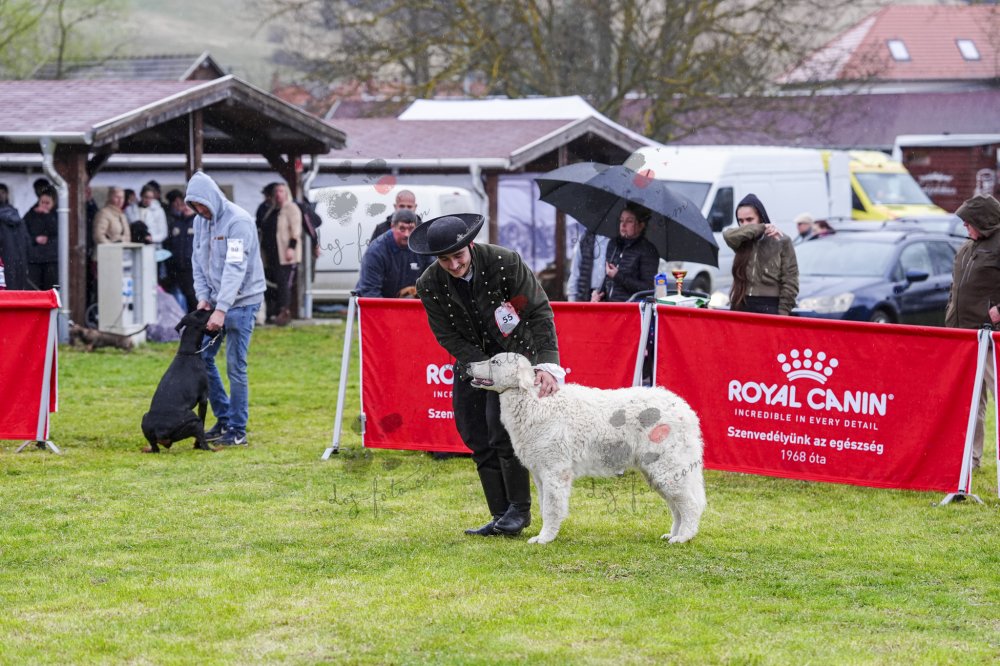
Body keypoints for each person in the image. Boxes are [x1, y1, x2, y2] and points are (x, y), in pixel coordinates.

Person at [409, 213, 563, 537]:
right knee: (476, 435)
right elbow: (447, 335)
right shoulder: (428, 284)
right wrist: (485, 367)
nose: (454, 265)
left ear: (470, 245)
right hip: (473, 363)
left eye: (458, 255)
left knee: (502, 432)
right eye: (445, 260)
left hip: (516, 358)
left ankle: (519, 511)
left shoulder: (505, 262)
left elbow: (538, 310)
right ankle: (499, 515)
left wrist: (547, 363)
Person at [186, 171, 266, 448]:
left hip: (242, 303)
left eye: (202, 205)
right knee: (203, 358)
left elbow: (235, 267)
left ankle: (238, 430)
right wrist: (203, 298)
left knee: (235, 366)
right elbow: (197, 261)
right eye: (195, 206)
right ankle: (223, 418)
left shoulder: (238, 221)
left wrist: (221, 309)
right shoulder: (200, 222)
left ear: (212, 198)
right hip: (216, 303)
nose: (200, 211)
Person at [945, 194, 1000, 470]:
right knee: (970, 401)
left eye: (969, 221)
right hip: (964, 337)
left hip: (992, 338)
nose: (965, 225)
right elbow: (955, 288)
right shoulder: (967, 246)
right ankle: (972, 460)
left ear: (983, 220)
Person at [723, 194, 799, 316]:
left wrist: (783, 312)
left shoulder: (782, 240)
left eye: (749, 219)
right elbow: (727, 235)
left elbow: (790, 280)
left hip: (770, 305)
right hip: (741, 303)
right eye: (741, 221)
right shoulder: (741, 240)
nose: (744, 224)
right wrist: (761, 227)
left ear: (761, 216)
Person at [355, 209, 432, 298]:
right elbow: (370, 292)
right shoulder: (376, 251)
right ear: (392, 226)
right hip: (377, 300)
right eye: (402, 229)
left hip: (406, 302)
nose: (407, 234)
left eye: (411, 229)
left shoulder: (422, 248)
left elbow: (432, 281)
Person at [590, 204, 659, 302]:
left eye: (629, 221)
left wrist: (618, 276)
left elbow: (648, 289)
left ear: (641, 226)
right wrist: (598, 294)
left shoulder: (648, 250)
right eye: (621, 220)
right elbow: (608, 280)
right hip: (610, 307)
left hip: (631, 308)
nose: (623, 225)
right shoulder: (613, 244)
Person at [163, 189, 197, 312]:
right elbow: (169, 244)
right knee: (183, 297)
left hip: (193, 268)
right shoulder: (176, 223)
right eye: (184, 205)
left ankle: (200, 321)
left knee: (194, 298)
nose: (186, 208)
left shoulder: (199, 222)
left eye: (190, 205)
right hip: (178, 268)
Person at [23, 188, 59, 290]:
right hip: (34, 258)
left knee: (50, 288)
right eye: (42, 202)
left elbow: (58, 231)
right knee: (33, 289)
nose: (44, 205)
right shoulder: (30, 214)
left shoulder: (57, 215)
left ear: (53, 203)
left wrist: (47, 215)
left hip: (51, 259)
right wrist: (35, 239)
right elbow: (23, 233)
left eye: (47, 203)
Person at [0, 185, 31, 290]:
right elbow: (27, 242)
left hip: (5, 263)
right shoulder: (17, 216)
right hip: (18, 262)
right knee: (16, 293)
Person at [566, 229, 610, 301]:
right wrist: (572, 299)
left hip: (609, 297)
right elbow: (575, 273)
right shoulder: (584, 239)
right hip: (586, 296)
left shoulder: (616, 241)